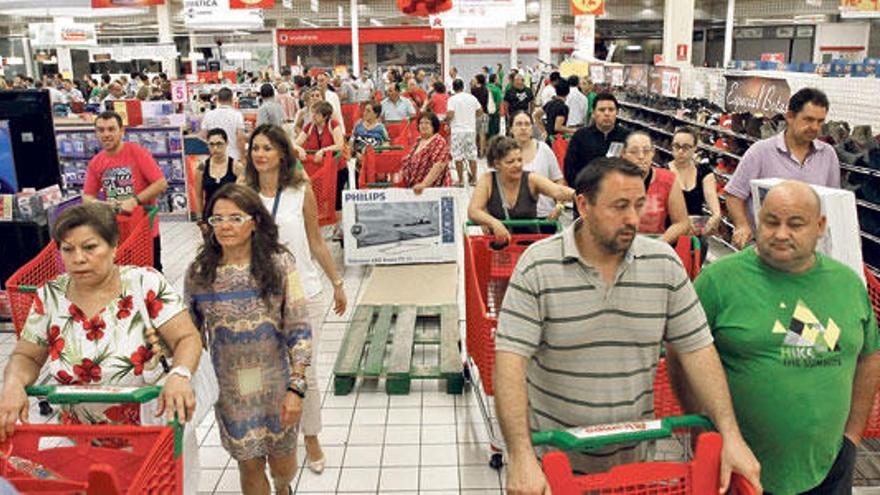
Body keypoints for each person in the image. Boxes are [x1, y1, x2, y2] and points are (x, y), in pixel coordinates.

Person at [494, 156, 762, 493]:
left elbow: (698, 352)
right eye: (619, 206)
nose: (633, 219)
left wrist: (730, 434)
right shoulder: (538, 266)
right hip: (552, 462)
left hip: (635, 467)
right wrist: (520, 456)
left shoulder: (663, 264)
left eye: (639, 205)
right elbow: (509, 364)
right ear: (583, 205)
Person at [671, 180, 880, 494]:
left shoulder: (848, 284)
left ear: (820, 226)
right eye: (771, 222)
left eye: (795, 224)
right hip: (738, 471)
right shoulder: (719, 281)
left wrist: (851, 436)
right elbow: (681, 354)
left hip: (831, 468)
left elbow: (870, 355)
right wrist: (704, 429)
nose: (781, 233)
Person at [0, 202, 201, 491]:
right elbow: (28, 356)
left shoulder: (143, 284)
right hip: (81, 442)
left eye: (90, 247)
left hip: (152, 433)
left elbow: (186, 338)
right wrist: (13, 383)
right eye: (67, 250)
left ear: (114, 246)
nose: (78, 259)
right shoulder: (51, 295)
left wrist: (180, 375)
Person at [185, 184, 312, 495]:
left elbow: (298, 326)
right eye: (217, 219)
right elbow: (189, 333)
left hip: (276, 383)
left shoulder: (280, 263)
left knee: (284, 465)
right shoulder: (200, 272)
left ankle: (283, 487)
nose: (225, 226)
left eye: (235, 218)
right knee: (248, 463)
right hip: (231, 388)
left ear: (255, 221)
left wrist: (297, 387)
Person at [242, 126, 348, 476]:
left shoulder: (300, 191)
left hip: (305, 292)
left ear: (283, 154)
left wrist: (336, 282)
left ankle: (312, 436)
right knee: (263, 371)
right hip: (261, 297)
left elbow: (316, 241)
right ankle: (270, 433)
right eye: (256, 148)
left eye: (268, 148)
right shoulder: (244, 194)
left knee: (304, 372)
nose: (260, 154)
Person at [726, 88, 840, 249]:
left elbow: (832, 201)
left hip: (806, 250)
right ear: (790, 117)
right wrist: (742, 225)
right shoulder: (761, 151)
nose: (814, 127)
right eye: (808, 120)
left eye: (820, 121)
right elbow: (734, 195)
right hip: (764, 247)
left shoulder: (828, 155)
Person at [83, 111, 167, 271]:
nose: (106, 134)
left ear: (122, 131)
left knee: (151, 276)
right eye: (101, 130)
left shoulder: (137, 152)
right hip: (115, 233)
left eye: (111, 129)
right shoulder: (96, 162)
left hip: (144, 231)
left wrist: (134, 201)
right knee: (120, 278)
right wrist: (102, 205)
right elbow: (87, 196)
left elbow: (161, 183)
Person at [468, 136, 574, 243]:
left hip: (529, 248)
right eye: (510, 162)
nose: (517, 165)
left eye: (519, 160)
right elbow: (473, 210)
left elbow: (558, 191)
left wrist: (576, 195)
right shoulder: (487, 180)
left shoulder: (531, 179)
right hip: (499, 249)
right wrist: (494, 223)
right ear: (497, 164)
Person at [621, 131, 690, 244]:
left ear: (653, 153)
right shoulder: (611, 180)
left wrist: (659, 244)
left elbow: (682, 223)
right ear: (623, 154)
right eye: (634, 152)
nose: (641, 156)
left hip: (654, 244)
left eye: (646, 151)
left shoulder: (668, 180)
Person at [563, 92, 628, 191]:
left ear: (617, 112)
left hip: (618, 195)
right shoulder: (580, 136)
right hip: (587, 195)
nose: (607, 113)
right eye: (601, 110)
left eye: (611, 110)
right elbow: (570, 169)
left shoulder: (627, 137)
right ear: (593, 113)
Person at [669, 127, 723, 243]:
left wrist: (713, 219)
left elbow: (715, 211)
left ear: (695, 148)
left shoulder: (704, 173)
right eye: (676, 146)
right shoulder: (662, 172)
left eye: (686, 147)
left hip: (694, 236)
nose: (680, 151)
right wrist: (686, 223)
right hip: (668, 234)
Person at [509, 111, 567, 220]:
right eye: (519, 124)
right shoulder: (502, 152)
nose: (523, 128)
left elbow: (558, 180)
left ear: (532, 128)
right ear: (511, 129)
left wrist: (559, 207)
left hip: (545, 217)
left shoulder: (544, 149)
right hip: (512, 218)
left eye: (527, 124)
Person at [194, 128, 243, 221]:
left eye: (219, 144)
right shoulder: (201, 167)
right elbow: (198, 196)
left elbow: (242, 195)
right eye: (211, 144)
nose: (215, 148)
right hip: (210, 216)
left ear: (227, 143)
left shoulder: (236, 166)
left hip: (231, 217)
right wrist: (200, 219)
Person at [401, 112, 451, 192]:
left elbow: (439, 166)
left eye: (427, 123)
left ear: (434, 125)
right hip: (414, 188)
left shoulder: (439, 141)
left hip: (432, 190)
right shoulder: (418, 140)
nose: (423, 126)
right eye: (421, 123)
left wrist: (424, 184)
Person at [446, 79, 483, 186]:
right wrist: (471, 117)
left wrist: (447, 122)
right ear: (463, 87)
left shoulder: (452, 99)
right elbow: (480, 112)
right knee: (472, 155)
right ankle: (474, 179)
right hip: (470, 130)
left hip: (457, 131)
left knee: (458, 156)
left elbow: (450, 114)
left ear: (453, 88)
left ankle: (461, 180)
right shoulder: (472, 98)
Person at [200, 87, 247, 162]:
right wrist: (243, 156)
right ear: (231, 100)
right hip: (233, 157)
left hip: (215, 157)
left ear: (218, 99)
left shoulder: (208, 115)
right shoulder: (237, 115)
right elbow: (240, 138)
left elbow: (203, 136)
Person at [534, 78, 575, 143]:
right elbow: (557, 127)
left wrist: (543, 130)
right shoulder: (563, 107)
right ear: (568, 91)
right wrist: (573, 130)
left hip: (548, 138)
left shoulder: (549, 103)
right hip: (557, 140)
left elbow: (536, 115)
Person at [472, 74, 490, 157]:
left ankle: (476, 151)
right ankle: (482, 153)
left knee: (475, 134)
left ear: (478, 80)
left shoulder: (474, 90)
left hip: (475, 114)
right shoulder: (486, 89)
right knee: (482, 134)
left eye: (475, 79)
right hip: (485, 113)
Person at [487, 73, 503, 138]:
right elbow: (500, 101)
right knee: (494, 131)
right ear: (495, 80)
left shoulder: (485, 87)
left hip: (485, 113)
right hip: (495, 113)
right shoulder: (497, 89)